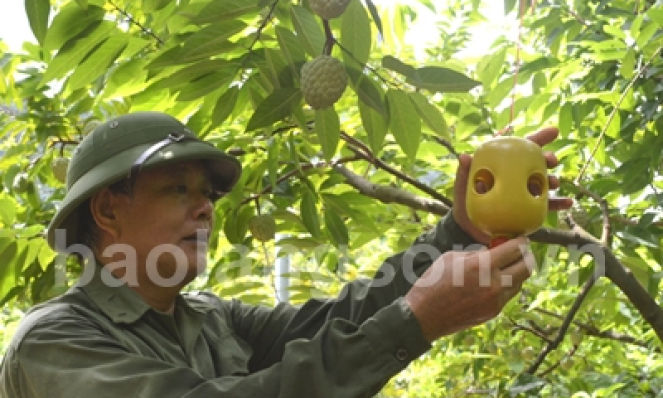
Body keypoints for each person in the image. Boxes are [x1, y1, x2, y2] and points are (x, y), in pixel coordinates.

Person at [0, 111, 571, 398]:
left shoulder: (210, 318)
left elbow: (340, 321)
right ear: (106, 211)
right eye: (179, 189)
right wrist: (416, 321)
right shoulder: (55, 343)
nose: (205, 209)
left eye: (209, 194)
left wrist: (458, 230)